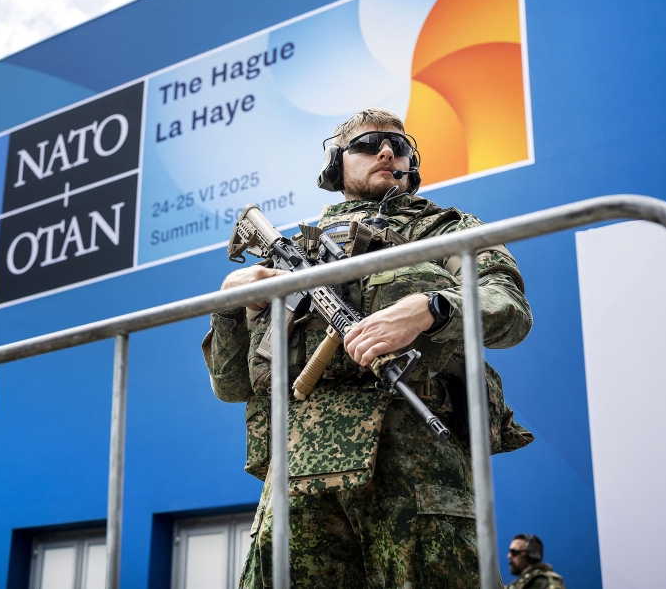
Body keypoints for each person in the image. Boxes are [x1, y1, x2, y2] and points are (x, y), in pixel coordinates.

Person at [202, 108, 534, 588]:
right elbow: (232, 386)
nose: (386, 151)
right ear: (337, 163)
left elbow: (510, 311)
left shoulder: (446, 230)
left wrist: (434, 307)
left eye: (400, 147)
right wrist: (229, 303)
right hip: (297, 468)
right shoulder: (290, 255)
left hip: (414, 461)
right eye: (368, 144)